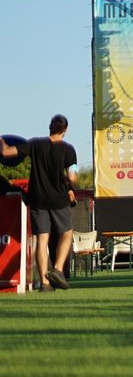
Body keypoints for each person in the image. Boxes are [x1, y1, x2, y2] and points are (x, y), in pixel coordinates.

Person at [0, 114, 78, 291]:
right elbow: (72, 177)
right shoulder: (69, 150)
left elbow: (5, 152)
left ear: (50, 127)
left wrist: (0, 140)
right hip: (59, 200)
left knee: (42, 239)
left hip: (37, 199)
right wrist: (70, 185)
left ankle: (44, 283)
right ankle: (57, 269)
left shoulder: (34, 144)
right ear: (65, 130)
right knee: (67, 233)